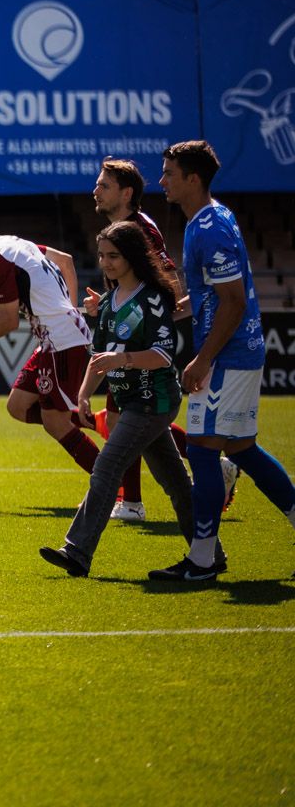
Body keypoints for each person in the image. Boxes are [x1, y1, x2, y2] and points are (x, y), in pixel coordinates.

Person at [153, 140, 293, 581]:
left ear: (193, 179)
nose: (162, 181)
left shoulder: (209, 228)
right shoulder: (212, 217)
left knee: (203, 449)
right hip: (238, 351)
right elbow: (217, 294)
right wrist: (183, 308)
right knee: (242, 448)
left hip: (228, 355)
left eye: (169, 173)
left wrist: (202, 359)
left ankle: (201, 560)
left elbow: (232, 303)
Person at [39, 222, 196, 578]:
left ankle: (77, 551)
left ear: (132, 257)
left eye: (114, 256)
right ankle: (208, 551)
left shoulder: (152, 299)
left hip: (153, 401)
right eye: (102, 255)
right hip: (132, 403)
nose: (105, 262)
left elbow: (162, 355)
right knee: (175, 482)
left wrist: (122, 360)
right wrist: (82, 393)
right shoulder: (108, 302)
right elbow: (99, 356)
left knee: (107, 466)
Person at [0, 201, 104, 487]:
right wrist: (68, 309)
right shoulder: (15, 243)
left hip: (62, 342)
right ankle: (97, 422)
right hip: (54, 339)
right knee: (18, 406)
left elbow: (7, 322)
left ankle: (108, 484)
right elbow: (66, 260)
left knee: (55, 423)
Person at [84, 157, 194, 522]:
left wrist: (147, 321)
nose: (95, 191)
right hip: (125, 339)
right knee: (133, 425)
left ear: (126, 193)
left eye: (104, 185)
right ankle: (136, 499)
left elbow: (167, 282)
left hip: (141, 346)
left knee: (128, 422)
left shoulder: (139, 229)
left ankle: (132, 502)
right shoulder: (119, 228)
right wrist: (105, 310)